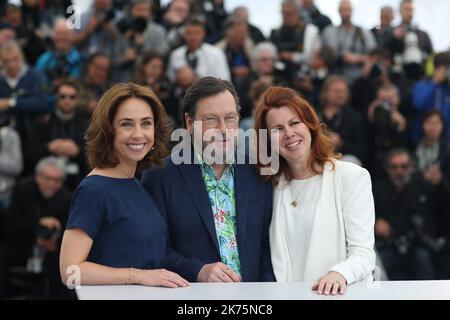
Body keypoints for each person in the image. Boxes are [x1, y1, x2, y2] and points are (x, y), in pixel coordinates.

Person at [141, 77, 275, 283]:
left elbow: (267, 246)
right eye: (211, 119)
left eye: (230, 118)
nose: (223, 129)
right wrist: (198, 271)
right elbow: (155, 248)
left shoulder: (259, 172)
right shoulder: (160, 176)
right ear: (189, 123)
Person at [59, 83, 189, 288]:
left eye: (146, 123)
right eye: (126, 124)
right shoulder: (95, 190)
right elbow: (70, 272)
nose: (138, 134)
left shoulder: (136, 183)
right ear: (109, 130)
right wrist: (141, 276)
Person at [254, 86, 375, 295]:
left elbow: (364, 254)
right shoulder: (269, 185)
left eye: (294, 123)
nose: (289, 134)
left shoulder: (351, 177)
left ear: (310, 125)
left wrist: (340, 273)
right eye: (277, 129)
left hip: (337, 295)